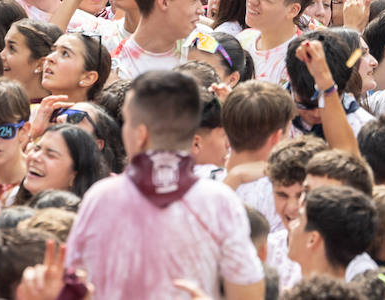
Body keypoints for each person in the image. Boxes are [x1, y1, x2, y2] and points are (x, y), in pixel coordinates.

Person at [67, 69, 265, 300]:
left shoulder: (101, 197)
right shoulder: (219, 201)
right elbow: (248, 292)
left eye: (127, 122)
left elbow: (75, 283)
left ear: (140, 134)